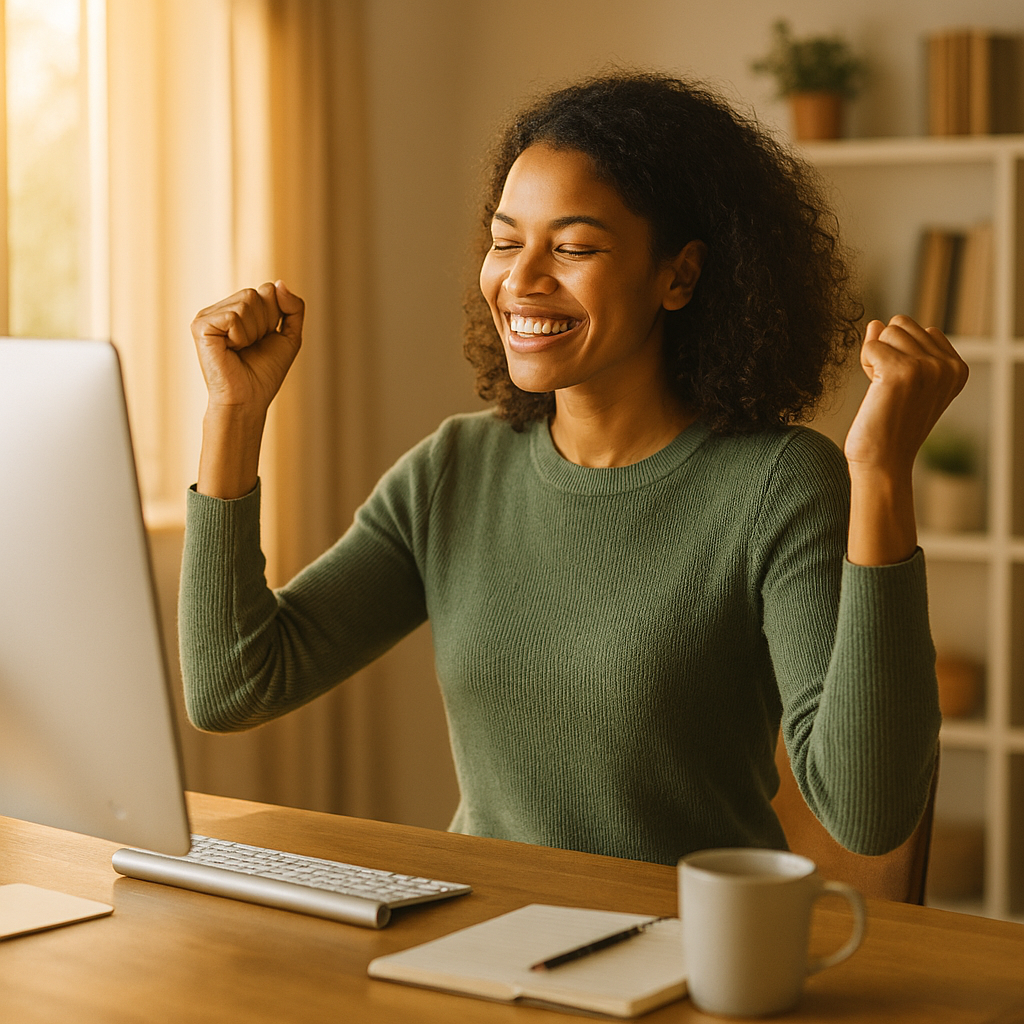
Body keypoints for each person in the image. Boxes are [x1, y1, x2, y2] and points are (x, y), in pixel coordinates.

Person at [181, 72, 967, 866]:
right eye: (505, 240)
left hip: (682, 953)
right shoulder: (455, 469)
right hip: (475, 940)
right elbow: (234, 685)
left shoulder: (779, 484)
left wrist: (881, 475)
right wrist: (234, 415)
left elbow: (869, 815)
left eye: (574, 247)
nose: (522, 281)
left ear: (680, 275)